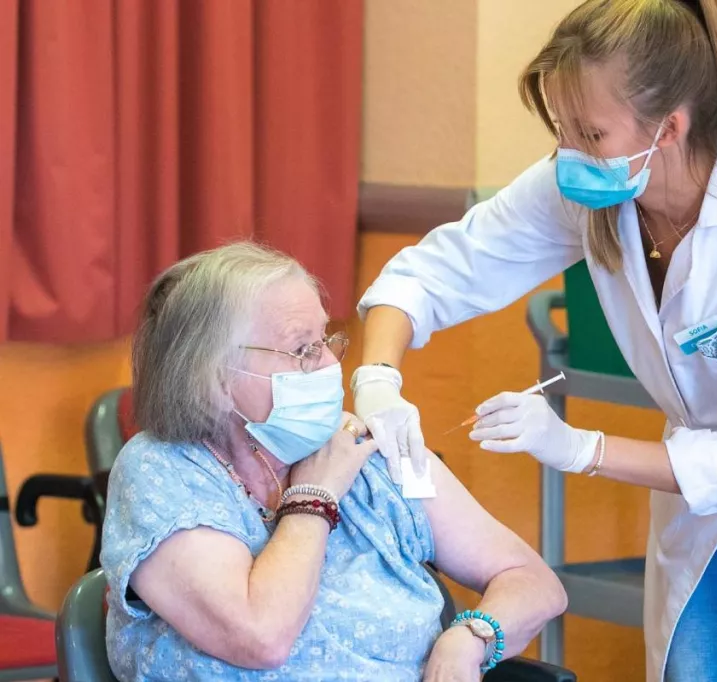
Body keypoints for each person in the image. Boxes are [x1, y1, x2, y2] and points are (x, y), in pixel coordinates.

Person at [351, 1, 717, 680]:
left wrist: (580, 448)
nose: (569, 153)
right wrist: (377, 381)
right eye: (561, 129)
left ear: (668, 128)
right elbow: (440, 270)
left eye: (591, 132)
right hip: (705, 494)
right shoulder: (585, 188)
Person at [100, 242, 567, 682]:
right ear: (213, 380)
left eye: (325, 339)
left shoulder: (363, 450)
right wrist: (313, 497)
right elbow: (261, 637)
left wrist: (470, 638)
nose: (328, 365)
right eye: (302, 350)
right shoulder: (162, 472)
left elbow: (533, 582)